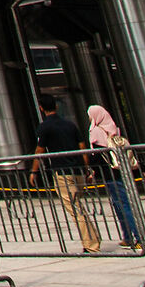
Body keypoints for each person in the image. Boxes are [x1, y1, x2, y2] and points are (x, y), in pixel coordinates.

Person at [29, 97, 101, 254]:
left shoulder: (45, 127)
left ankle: (92, 244)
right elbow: (82, 148)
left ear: (41, 108)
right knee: (78, 206)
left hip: (62, 172)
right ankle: (92, 238)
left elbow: (39, 151)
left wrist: (34, 171)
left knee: (75, 209)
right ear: (56, 106)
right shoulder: (70, 125)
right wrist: (87, 169)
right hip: (78, 171)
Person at [86, 104, 139, 249]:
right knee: (121, 204)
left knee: (123, 205)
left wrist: (91, 170)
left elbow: (97, 155)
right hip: (121, 170)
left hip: (110, 173)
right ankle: (127, 236)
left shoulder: (96, 130)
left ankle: (138, 237)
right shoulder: (112, 127)